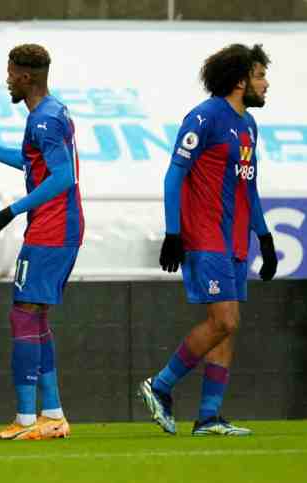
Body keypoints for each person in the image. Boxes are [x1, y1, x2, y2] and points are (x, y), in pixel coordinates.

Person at [138, 44, 277, 436]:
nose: (266, 84)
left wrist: (263, 238)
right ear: (239, 80)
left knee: (228, 326)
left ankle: (209, 417)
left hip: (234, 239)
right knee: (224, 319)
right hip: (204, 233)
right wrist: (172, 232)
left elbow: (249, 187)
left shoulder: (247, 125)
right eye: (260, 76)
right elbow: (173, 176)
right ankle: (159, 385)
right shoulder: (204, 117)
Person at [0, 44, 82, 441]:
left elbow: (61, 178)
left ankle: (27, 420)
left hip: (52, 228)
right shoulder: (50, 113)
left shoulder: (44, 119)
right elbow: (32, 162)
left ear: (25, 77)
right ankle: (53, 414)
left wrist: (9, 212)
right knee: (34, 317)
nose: (7, 80)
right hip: (58, 226)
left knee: (23, 316)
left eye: (10, 74)